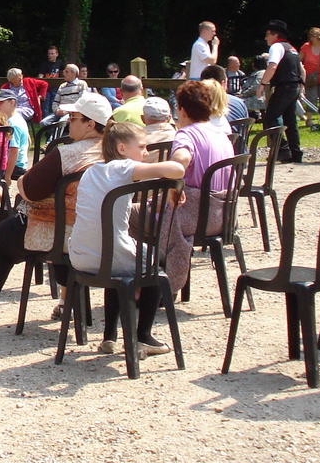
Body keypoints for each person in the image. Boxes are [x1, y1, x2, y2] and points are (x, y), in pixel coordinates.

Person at [0, 93, 113, 331]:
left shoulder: (67, 153)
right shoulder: (114, 152)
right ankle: (65, 302)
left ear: (90, 124)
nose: (68, 121)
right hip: (98, 235)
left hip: (60, 234)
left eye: (74, 118)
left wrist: (22, 183)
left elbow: (29, 189)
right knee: (61, 227)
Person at [69, 120, 187, 355]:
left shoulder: (92, 170)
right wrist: (173, 185)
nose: (146, 152)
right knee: (156, 260)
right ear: (122, 149)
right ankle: (143, 336)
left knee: (117, 263)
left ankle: (109, 336)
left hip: (81, 256)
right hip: (111, 256)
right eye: (142, 147)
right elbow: (177, 169)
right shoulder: (124, 167)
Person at [159, 81, 236, 292]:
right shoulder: (221, 135)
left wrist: (171, 184)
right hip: (224, 216)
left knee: (134, 216)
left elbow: (180, 160)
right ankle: (165, 281)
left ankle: (154, 286)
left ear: (182, 110)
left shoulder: (186, 134)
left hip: (195, 218)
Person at [258, 20, 305, 163]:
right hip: (294, 86)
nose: (266, 38)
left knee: (270, 117)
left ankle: (283, 150)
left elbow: (272, 66)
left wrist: (262, 84)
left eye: (268, 34)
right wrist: (301, 86)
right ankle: (295, 153)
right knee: (290, 121)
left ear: (275, 35)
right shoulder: (292, 48)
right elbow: (302, 70)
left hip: (284, 87)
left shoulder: (276, 47)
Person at [0, 88, 30, 182]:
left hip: (15, 167)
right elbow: (29, 140)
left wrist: (7, 176)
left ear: (12, 102)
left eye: (0, 103)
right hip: (20, 164)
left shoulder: (12, 124)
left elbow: (14, 151)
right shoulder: (18, 117)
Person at [200, 64, 250, 135]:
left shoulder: (197, 107)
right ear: (223, 83)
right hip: (237, 141)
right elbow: (245, 129)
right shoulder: (239, 103)